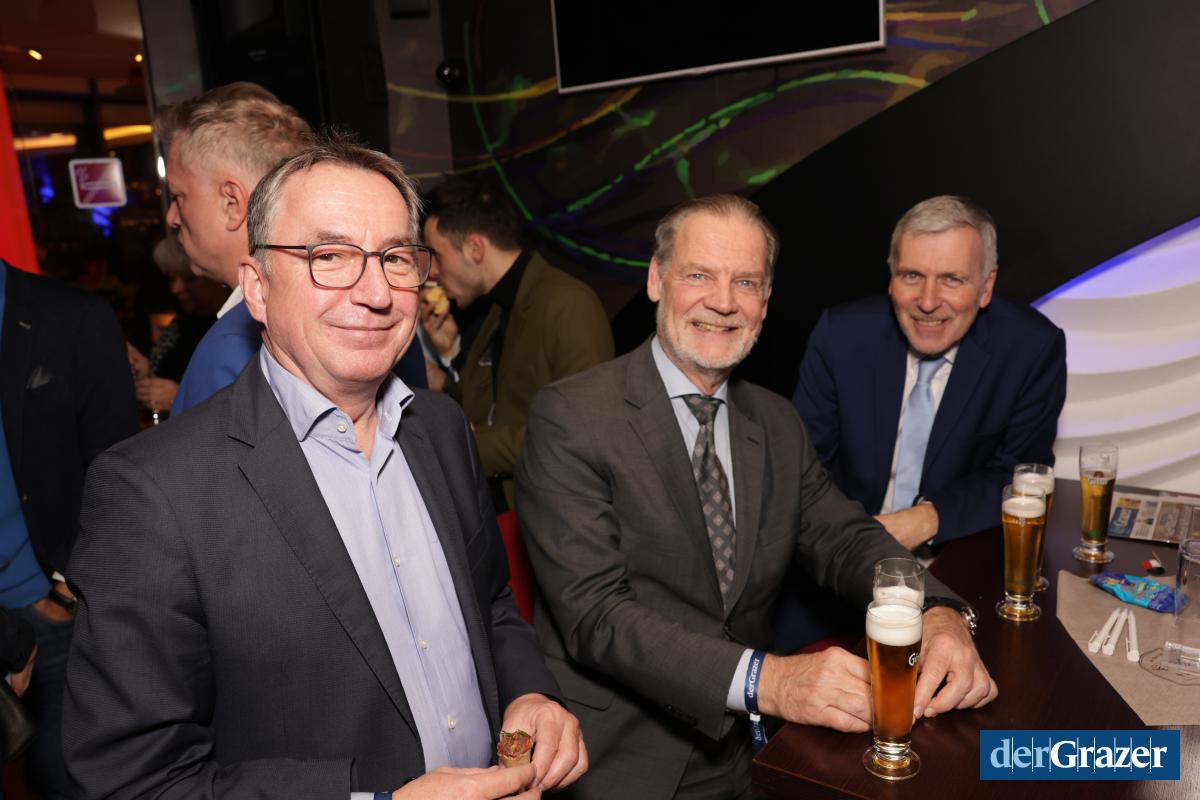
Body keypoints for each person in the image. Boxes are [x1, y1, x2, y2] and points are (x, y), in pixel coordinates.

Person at [63, 137, 586, 798]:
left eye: (395, 257)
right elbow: (132, 779)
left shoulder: (441, 429)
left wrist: (529, 692)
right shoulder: (154, 491)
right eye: (329, 256)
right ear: (256, 287)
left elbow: (490, 605)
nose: (376, 292)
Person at [515, 195, 995, 800]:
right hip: (618, 758)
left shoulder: (774, 421)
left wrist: (936, 610)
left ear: (765, 302)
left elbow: (844, 538)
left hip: (748, 751)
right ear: (657, 280)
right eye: (699, 275)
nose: (723, 301)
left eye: (745, 282)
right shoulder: (571, 416)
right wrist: (770, 682)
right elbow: (596, 616)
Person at [793, 195, 1067, 549]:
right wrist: (852, 544)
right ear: (891, 277)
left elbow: (1022, 477)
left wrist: (928, 519)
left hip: (958, 554)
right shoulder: (841, 337)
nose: (927, 301)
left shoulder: (1030, 349)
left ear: (986, 286)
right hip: (843, 548)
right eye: (912, 276)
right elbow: (802, 469)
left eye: (951, 279)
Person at [158, 82, 427, 417]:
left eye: (179, 196)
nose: (172, 217)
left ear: (232, 202)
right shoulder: (379, 323)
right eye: (330, 255)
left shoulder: (232, 348)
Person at [0, 259, 137, 798]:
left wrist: (66, 590)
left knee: (67, 782)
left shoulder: (72, 317)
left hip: (52, 611)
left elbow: (119, 469)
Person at [419, 175, 613, 511]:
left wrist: (468, 445)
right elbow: (496, 404)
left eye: (437, 256)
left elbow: (585, 430)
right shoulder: (498, 308)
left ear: (475, 249)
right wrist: (451, 356)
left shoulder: (566, 304)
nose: (433, 272)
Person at [126, 235, 230, 419]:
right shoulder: (178, 326)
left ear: (217, 278)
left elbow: (239, 407)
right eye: (172, 280)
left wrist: (180, 398)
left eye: (189, 279)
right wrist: (147, 376)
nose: (176, 289)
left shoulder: (238, 328)